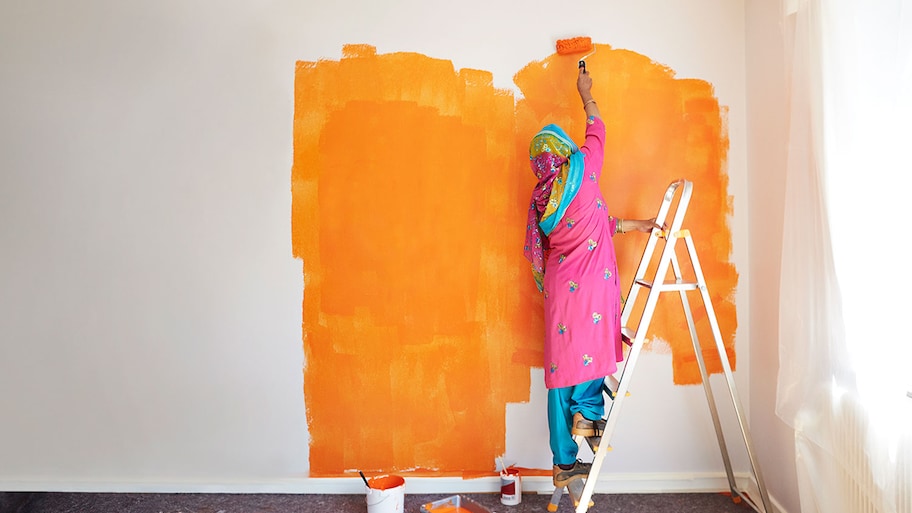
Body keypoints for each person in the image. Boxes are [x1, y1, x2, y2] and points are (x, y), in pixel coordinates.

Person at [523, 66, 662, 487]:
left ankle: (564, 461)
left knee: (561, 373)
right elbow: (598, 130)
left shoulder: (544, 197)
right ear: (562, 150)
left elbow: (596, 222)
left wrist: (637, 225)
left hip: (560, 296)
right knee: (596, 348)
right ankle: (588, 414)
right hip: (593, 289)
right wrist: (585, 93)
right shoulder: (582, 170)